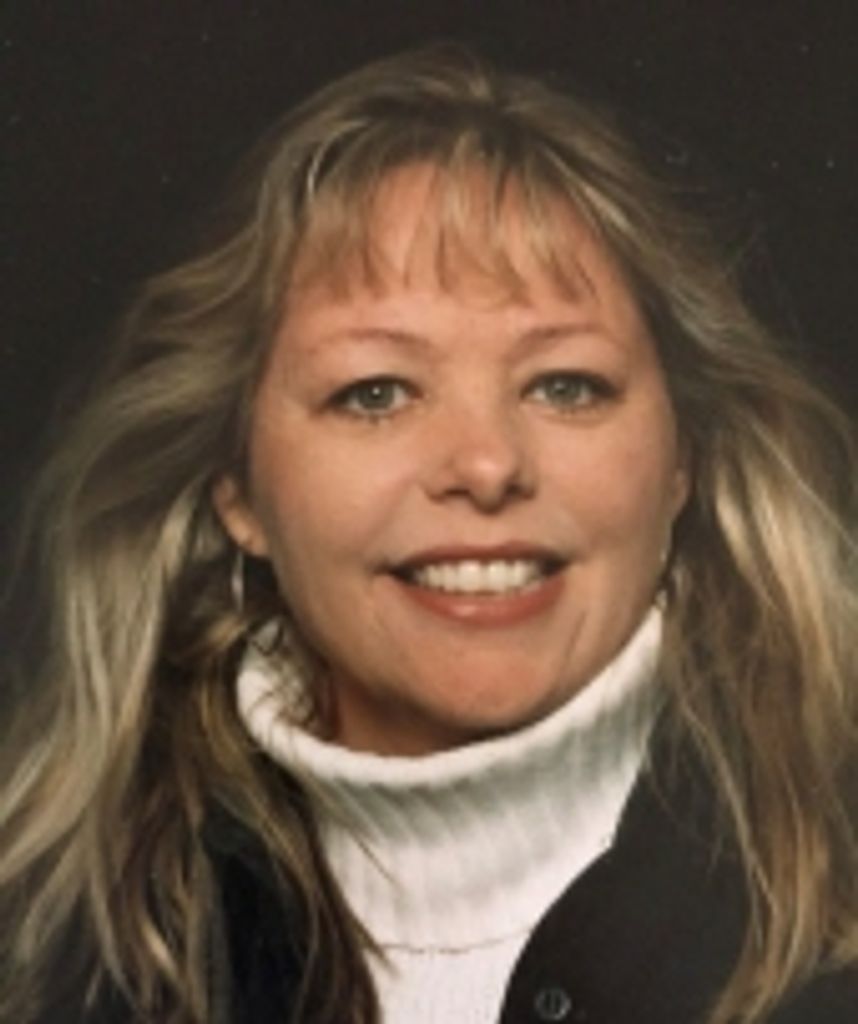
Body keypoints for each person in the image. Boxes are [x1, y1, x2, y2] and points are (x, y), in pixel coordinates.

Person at [2, 44, 857, 1024]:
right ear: (238, 489)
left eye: (565, 385)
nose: (486, 465)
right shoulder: (56, 954)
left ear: (680, 460)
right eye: (376, 393)